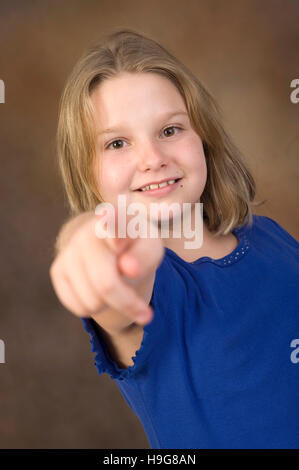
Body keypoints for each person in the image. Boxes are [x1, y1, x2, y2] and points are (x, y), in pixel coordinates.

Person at [49, 28, 299, 449]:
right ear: (89, 176)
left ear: (203, 137)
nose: (153, 159)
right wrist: (89, 243)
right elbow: (103, 264)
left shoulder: (268, 235)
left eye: (170, 131)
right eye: (117, 143)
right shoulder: (142, 291)